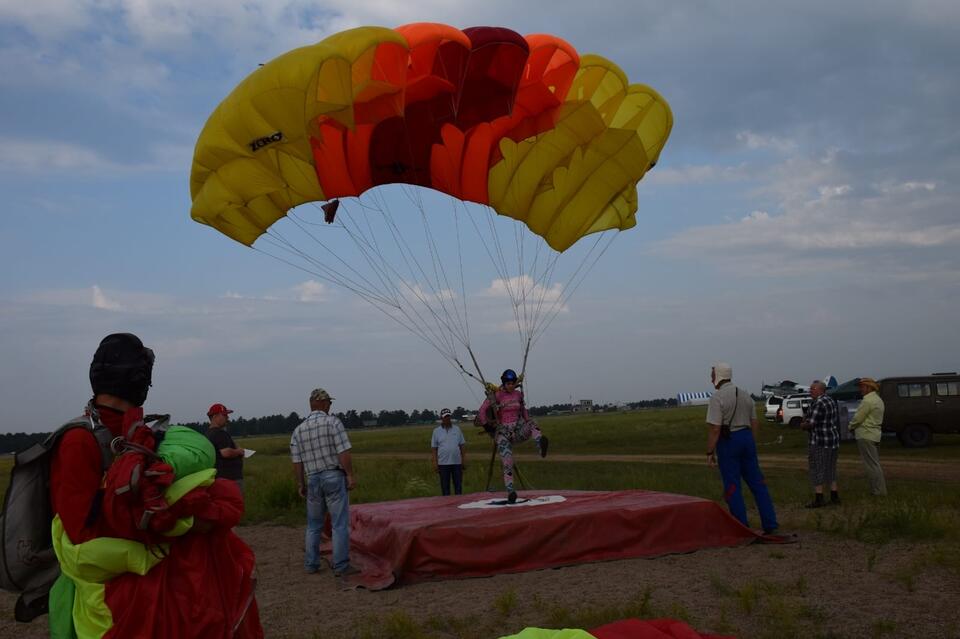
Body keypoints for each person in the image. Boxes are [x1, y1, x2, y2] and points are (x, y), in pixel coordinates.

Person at [49, 333, 262, 637]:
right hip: (122, 604)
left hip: (171, 595)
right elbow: (81, 538)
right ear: (139, 378)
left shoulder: (143, 432)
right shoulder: (79, 441)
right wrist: (179, 523)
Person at [290, 387, 359, 577]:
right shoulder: (333, 423)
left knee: (313, 525)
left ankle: (311, 564)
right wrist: (350, 475)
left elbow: (297, 461)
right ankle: (342, 565)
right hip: (333, 476)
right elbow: (343, 452)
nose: (329, 405)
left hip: (312, 479)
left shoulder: (298, 430)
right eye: (328, 402)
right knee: (339, 524)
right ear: (320, 403)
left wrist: (300, 484)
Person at [705, 362, 779, 534]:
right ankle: (770, 524)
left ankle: (741, 527)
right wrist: (750, 442)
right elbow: (754, 422)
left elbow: (715, 428)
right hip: (747, 438)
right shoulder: (746, 395)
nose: (711, 379)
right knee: (758, 483)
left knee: (732, 486)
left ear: (718, 377)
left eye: (712, 375)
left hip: (729, 441)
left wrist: (710, 451)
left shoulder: (717, 398)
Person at [477, 369, 549, 504]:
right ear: (504, 383)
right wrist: (487, 426)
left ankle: (540, 446)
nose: (510, 385)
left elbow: (523, 411)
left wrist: (527, 422)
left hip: (517, 432)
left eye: (512, 383)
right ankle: (511, 491)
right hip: (503, 434)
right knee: (508, 462)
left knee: (534, 423)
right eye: (508, 383)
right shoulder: (496, 395)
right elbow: (482, 411)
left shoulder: (518, 395)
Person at [800, 380, 841, 508]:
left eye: (813, 389)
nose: (810, 391)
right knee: (831, 468)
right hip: (832, 440)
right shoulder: (830, 400)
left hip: (819, 441)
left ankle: (819, 497)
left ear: (821, 390)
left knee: (816, 468)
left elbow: (810, 423)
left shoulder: (818, 402)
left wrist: (802, 425)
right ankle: (834, 496)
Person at [849, 377, 887, 496]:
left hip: (865, 434)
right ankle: (878, 489)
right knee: (874, 463)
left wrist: (850, 427)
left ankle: (879, 491)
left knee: (871, 465)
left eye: (862, 386)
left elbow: (858, 418)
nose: (860, 389)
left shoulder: (867, 401)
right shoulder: (878, 400)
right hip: (875, 434)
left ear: (868, 387)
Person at [206, 402, 245, 492]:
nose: (227, 417)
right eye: (224, 415)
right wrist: (239, 451)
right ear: (215, 417)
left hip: (219, 478)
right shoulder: (219, 433)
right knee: (236, 504)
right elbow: (226, 453)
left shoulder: (209, 433)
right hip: (230, 478)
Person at [431, 408, 467, 495]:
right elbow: (434, 449)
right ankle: (447, 506)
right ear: (442, 418)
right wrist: (435, 462)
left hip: (456, 463)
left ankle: (459, 504)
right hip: (443, 464)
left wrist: (463, 460)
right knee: (445, 487)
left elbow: (462, 446)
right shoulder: (436, 431)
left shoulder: (457, 429)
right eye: (445, 417)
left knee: (458, 486)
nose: (447, 418)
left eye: (448, 416)